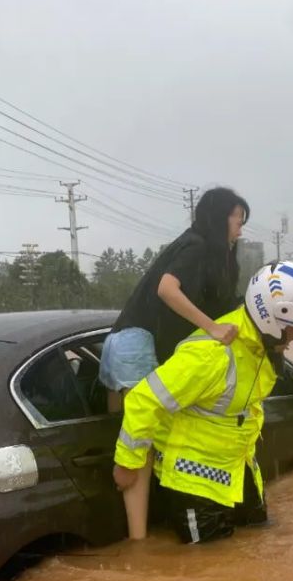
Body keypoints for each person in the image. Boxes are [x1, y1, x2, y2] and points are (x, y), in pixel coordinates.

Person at [113, 261, 293, 543]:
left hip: (237, 469)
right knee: (206, 568)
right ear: (272, 319)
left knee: (256, 546)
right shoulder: (211, 355)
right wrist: (127, 464)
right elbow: (143, 399)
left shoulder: (259, 348)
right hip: (194, 483)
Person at [100, 187, 249, 540]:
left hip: (131, 342)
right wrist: (211, 327)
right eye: (237, 219)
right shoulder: (196, 246)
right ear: (218, 217)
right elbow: (167, 290)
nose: (241, 228)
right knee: (140, 443)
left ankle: (135, 531)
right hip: (137, 344)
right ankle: (138, 541)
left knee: (123, 436)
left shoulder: (212, 254)